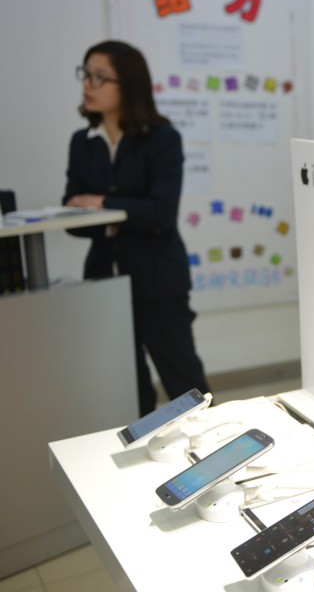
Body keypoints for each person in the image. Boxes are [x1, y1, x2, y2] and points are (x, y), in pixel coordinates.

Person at [63, 40, 211, 415]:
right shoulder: (83, 142)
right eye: (85, 74)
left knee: (184, 384)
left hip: (158, 280)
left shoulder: (161, 138)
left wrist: (102, 206)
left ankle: (215, 459)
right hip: (104, 281)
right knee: (128, 389)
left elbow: (161, 214)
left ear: (127, 84)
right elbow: (71, 217)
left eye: (99, 77)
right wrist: (123, 217)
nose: (87, 85)